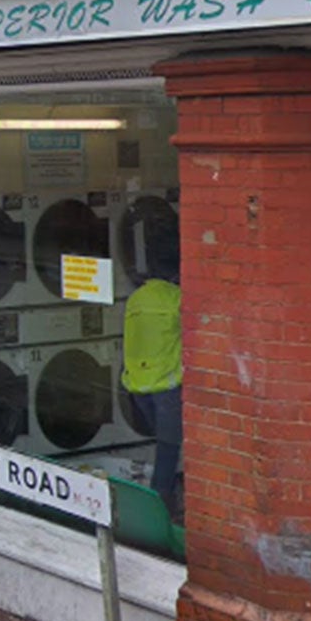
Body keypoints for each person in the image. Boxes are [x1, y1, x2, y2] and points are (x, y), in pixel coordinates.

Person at [122, 219, 184, 521]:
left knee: (166, 444)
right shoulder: (177, 300)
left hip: (136, 388)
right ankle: (160, 511)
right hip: (167, 388)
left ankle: (162, 495)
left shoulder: (137, 297)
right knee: (169, 450)